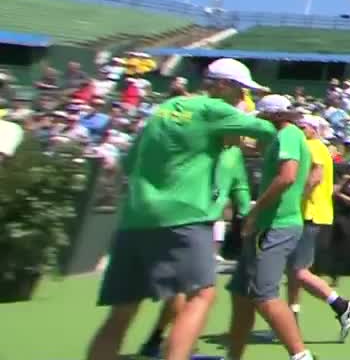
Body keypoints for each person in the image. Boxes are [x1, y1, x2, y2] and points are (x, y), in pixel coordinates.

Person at [87, 59, 278, 360]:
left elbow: (127, 162)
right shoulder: (214, 110)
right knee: (201, 296)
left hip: (134, 220)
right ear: (224, 86)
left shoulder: (161, 110)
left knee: (121, 313)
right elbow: (267, 131)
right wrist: (247, 134)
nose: (243, 98)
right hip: (185, 218)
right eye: (241, 90)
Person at [137, 134, 253, 358]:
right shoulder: (195, 145)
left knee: (187, 290)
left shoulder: (232, 154)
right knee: (195, 291)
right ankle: (178, 347)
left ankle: (160, 340)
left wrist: (246, 214)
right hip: (180, 220)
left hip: (198, 224)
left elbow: (240, 187)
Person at [223, 95, 315, 360]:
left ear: (272, 117)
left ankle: (301, 357)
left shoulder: (287, 135)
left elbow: (287, 177)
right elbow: (257, 148)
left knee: (264, 296)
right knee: (241, 294)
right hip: (268, 226)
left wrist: (254, 211)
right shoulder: (284, 137)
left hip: (276, 226)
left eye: (262, 118)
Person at [285, 114, 350, 341]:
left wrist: (293, 199)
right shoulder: (313, 145)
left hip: (309, 215)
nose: (299, 129)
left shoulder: (313, 146)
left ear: (314, 129)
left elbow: (315, 177)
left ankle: (342, 306)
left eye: (303, 126)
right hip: (309, 216)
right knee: (294, 271)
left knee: (298, 271)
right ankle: (291, 322)